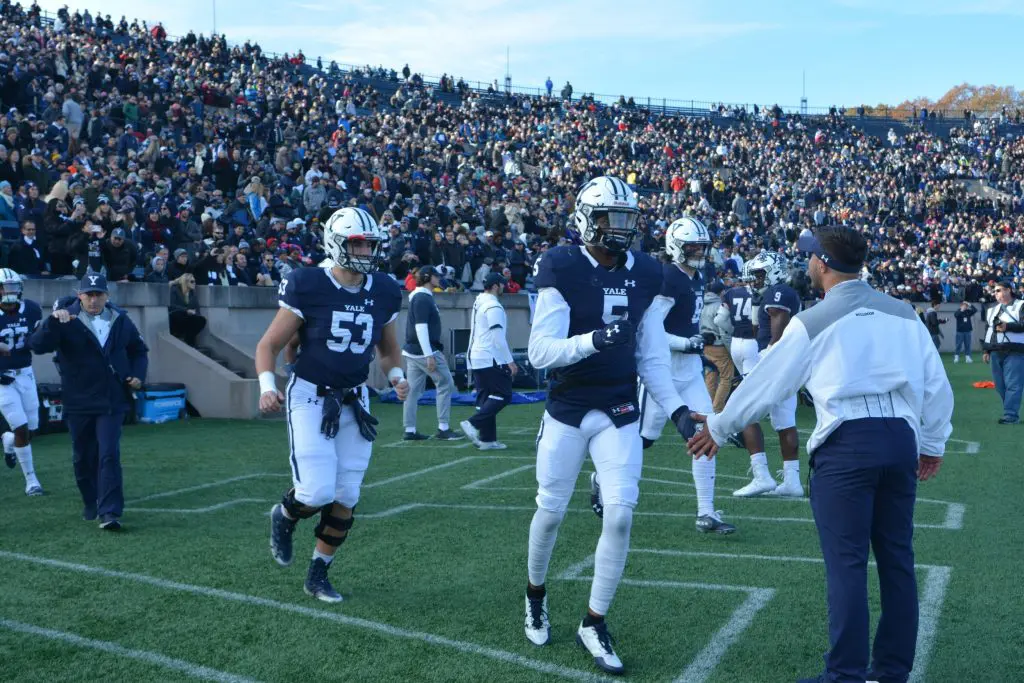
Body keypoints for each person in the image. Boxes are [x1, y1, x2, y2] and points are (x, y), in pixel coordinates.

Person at [687, 226, 953, 683]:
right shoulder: (905, 314)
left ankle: (845, 674)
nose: (807, 265)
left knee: (847, 563)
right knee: (897, 559)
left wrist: (718, 424)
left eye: (809, 258)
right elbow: (936, 387)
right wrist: (931, 443)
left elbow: (767, 381)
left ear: (822, 263)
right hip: (898, 441)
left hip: (847, 443)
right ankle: (891, 672)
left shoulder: (812, 321)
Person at [523, 177, 697, 675]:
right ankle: (535, 593)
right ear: (586, 218)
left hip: (620, 407)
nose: (619, 229)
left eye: (627, 218)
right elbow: (540, 353)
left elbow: (651, 354)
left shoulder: (647, 271)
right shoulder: (561, 264)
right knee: (551, 512)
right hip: (568, 406)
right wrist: (594, 340)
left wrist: (679, 412)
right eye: (610, 218)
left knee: (619, 514)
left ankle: (594, 621)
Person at [256, 207, 409, 603]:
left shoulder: (385, 289)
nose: (365, 251)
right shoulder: (309, 284)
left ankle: (318, 574)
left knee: (347, 494)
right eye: (358, 243)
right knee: (317, 490)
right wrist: (266, 386)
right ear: (336, 243)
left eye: (370, 244)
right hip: (311, 395)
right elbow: (269, 344)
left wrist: (396, 378)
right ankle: (286, 514)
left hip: (354, 399)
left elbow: (389, 352)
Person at [598, 216, 735, 533]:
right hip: (661, 373)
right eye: (692, 246)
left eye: (702, 246)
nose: (699, 251)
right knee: (641, 441)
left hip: (688, 371)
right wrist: (686, 342)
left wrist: (696, 341)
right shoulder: (668, 279)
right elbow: (651, 328)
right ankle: (601, 480)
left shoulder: (696, 276)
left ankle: (706, 512)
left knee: (705, 435)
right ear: (676, 246)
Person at [30, 274, 149, 530]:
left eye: (99, 294)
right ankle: (90, 501)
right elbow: (37, 345)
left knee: (108, 454)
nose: (93, 300)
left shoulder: (121, 319)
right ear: (79, 294)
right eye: (88, 294)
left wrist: (138, 375)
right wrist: (51, 321)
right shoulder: (64, 319)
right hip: (78, 400)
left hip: (112, 399)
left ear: (107, 295)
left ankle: (110, 512)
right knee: (83, 456)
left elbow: (138, 350)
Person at [730, 251, 805, 498]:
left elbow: (777, 334)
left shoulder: (778, 292)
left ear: (774, 271)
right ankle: (792, 481)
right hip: (786, 364)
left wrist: (766, 361)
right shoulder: (775, 293)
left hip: (774, 360)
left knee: (744, 412)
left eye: (760, 274)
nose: (757, 279)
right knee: (785, 421)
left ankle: (761, 475)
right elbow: (757, 328)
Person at [401, 266, 462, 441]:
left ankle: (410, 430)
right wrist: (429, 355)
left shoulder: (419, 296)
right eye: (436, 276)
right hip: (425, 351)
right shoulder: (422, 298)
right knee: (445, 385)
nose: (439, 279)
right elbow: (421, 327)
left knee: (412, 391)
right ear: (429, 278)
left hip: (413, 351)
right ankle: (443, 428)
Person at [460, 271, 517, 450]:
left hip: (477, 356)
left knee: (486, 398)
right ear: (495, 286)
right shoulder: (493, 306)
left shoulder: (480, 302)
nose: (503, 286)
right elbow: (497, 336)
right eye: (501, 284)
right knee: (503, 395)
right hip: (489, 356)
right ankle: (473, 423)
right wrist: (510, 361)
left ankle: (487, 440)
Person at [0, 268, 44, 496]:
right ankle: (32, 481)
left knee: (32, 430)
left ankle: (7, 441)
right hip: (2, 380)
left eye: (14, 287)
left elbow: (37, 340)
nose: (10, 292)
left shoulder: (33, 310)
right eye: (6, 287)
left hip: (25, 373)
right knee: (21, 427)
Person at [982, 280, 1024, 424]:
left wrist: (1008, 327)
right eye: (995, 291)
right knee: (1000, 385)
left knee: (1013, 384)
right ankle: (1010, 410)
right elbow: (988, 330)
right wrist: (986, 349)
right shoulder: (991, 309)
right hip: (996, 351)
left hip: (1016, 350)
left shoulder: (1021, 305)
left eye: (999, 290)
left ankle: (1010, 415)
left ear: (1008, 290)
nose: (996, 294)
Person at [169, 274, 206, 347]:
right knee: (180, 315)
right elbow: (171, 305)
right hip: (175, 317)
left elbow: (197, 307)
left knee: (201, 320)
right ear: (185, 282)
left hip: (187, 317)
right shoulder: (175, 289)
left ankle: (189, 339)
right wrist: (186, 310)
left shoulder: (192, 293)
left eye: (195, 281)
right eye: (192, 281)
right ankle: (179, 335)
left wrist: (196, 314)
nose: (194, 283)